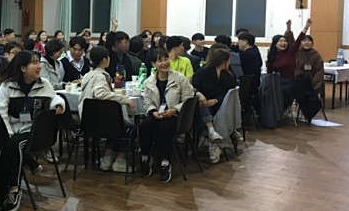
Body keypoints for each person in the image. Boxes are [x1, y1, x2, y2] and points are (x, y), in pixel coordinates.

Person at [0, 51, 65, 211]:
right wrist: (8, 132)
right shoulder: (8, 86)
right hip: (13, 130)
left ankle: (14, 188)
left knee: (14, 146)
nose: (39, 66)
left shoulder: (44, 84)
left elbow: (54, 97)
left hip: (34, 132)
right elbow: (0, 111)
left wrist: (58, 104)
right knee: (4, 144)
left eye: (39, 62)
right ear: (23, 68)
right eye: (34, 63)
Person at [139, 48, 195, 182]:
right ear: (153, 64)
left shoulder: (179, 78)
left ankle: (165, 162)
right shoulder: (149, 82)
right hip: (158, 114)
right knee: (145, 125)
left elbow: (189, 99)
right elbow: (147, 102)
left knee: (164, 127)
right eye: (160, 61)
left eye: (166, 59)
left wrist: (174, 110)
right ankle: (145, 156)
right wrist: (153, 112)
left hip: (176, 116)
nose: (164, 63)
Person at [79, 46, 135, 173]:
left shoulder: (88, 75)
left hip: (87, 121)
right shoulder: (100, 76)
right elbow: (100, 93)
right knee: (128, 127)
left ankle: (107, 158)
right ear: (104, 60)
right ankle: (120, 160)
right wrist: (124, 99)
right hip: (100, 121)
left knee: (116, 123)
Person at [192, 47, 239, 163]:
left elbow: (227, 93)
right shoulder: (203, 72)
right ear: (224, 61)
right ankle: (212, 135)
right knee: (200, 105)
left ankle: (212, 137)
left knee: (203, 111)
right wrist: (201, 95)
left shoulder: (228, 75)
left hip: (220, 105)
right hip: (203, 103)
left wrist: (216, 100)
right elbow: (193, 88)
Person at [266, 19, 312, 108]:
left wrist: (306, 27)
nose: (283, 43)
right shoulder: (272, 55)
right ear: (275, 44)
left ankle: (283, 109)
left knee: (283, 92)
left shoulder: (290, 52)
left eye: (285, 41)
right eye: (280, 41)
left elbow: (298, 41)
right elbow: (269, 71)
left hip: (289, 82)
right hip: (275, 82)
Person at [294, 33, 324, 103]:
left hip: (312, 83)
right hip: (300, 82)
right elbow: (296, 69)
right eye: (304, 41)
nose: (306, 43)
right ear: (301, 43)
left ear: (312, 43)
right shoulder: (297, 53)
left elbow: (319, 72)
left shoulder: (317, 56)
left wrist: (314, 86)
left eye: (309, 41)